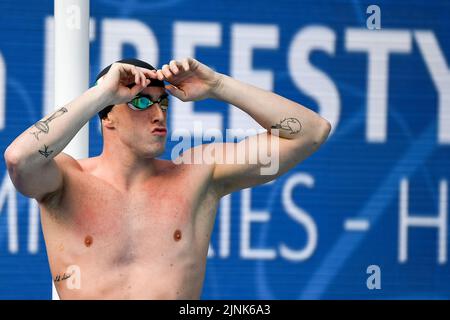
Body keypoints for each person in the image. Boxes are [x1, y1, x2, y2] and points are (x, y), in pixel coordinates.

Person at [4, 57, 331, 299]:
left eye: (162, 102)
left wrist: (219, 85)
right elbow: (19, 158)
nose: (158, 113)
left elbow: (311, 133)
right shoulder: (66, 181)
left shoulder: (199, 174)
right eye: (141, 102)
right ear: (108, 118)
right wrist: (99, 95)